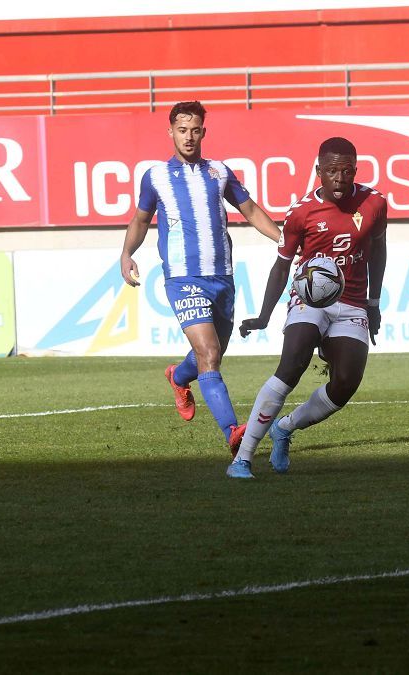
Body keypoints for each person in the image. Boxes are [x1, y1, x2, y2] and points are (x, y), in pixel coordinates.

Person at [119, 101, 281, 456]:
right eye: (182, 130)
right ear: (170, 132)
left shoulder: (220, 172)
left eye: (195, 130)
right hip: (182, 278)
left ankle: (178, 377)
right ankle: (233, 432)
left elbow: (250, 209)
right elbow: (141, 219)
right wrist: (127, 252)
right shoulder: (156, 177)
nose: (188, 137)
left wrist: (284, 240)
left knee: (213, 352)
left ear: (204, 132)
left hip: (222, 275)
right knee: (209, 353)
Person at [225, 137, 387, 479]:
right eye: (332, 171)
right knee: (292, 364)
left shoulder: (374, 203)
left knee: (346, 382)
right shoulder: (301, 212)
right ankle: (243, 457)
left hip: (353, 301)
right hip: (310, 298)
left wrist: (373, 303)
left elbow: (378, 252)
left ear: (355, 171)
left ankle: (285, 428)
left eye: (346, 170)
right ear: (319, 172)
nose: (340, 178)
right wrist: (264, 315)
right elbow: (282, 265)